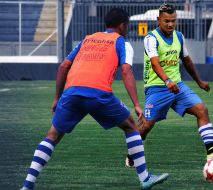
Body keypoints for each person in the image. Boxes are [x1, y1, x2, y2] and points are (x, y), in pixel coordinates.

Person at [20, 8, 169, 190]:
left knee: (52, 135)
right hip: (98, 93)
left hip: (72, 92)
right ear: (122, 26)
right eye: (128, 26)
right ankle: (145, 178)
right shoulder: (121, 42)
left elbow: (64, 66)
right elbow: (126, 71)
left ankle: (27, 186)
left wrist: (57, 98)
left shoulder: (87, 39)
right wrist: (137, 104)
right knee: (131, 126)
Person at [125, 4, 213, 167]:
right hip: (157, 88)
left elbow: (187, 60)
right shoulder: (151, 38)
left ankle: (211, 151)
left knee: (202, 109)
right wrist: (167, 81)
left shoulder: (179, 37)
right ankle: (131, 155)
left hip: (178, 86)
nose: (170, 24)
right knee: (146, 127)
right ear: (158, 20)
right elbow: (155, 63)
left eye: (173, 21)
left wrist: (199, 81)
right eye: (166, 21)